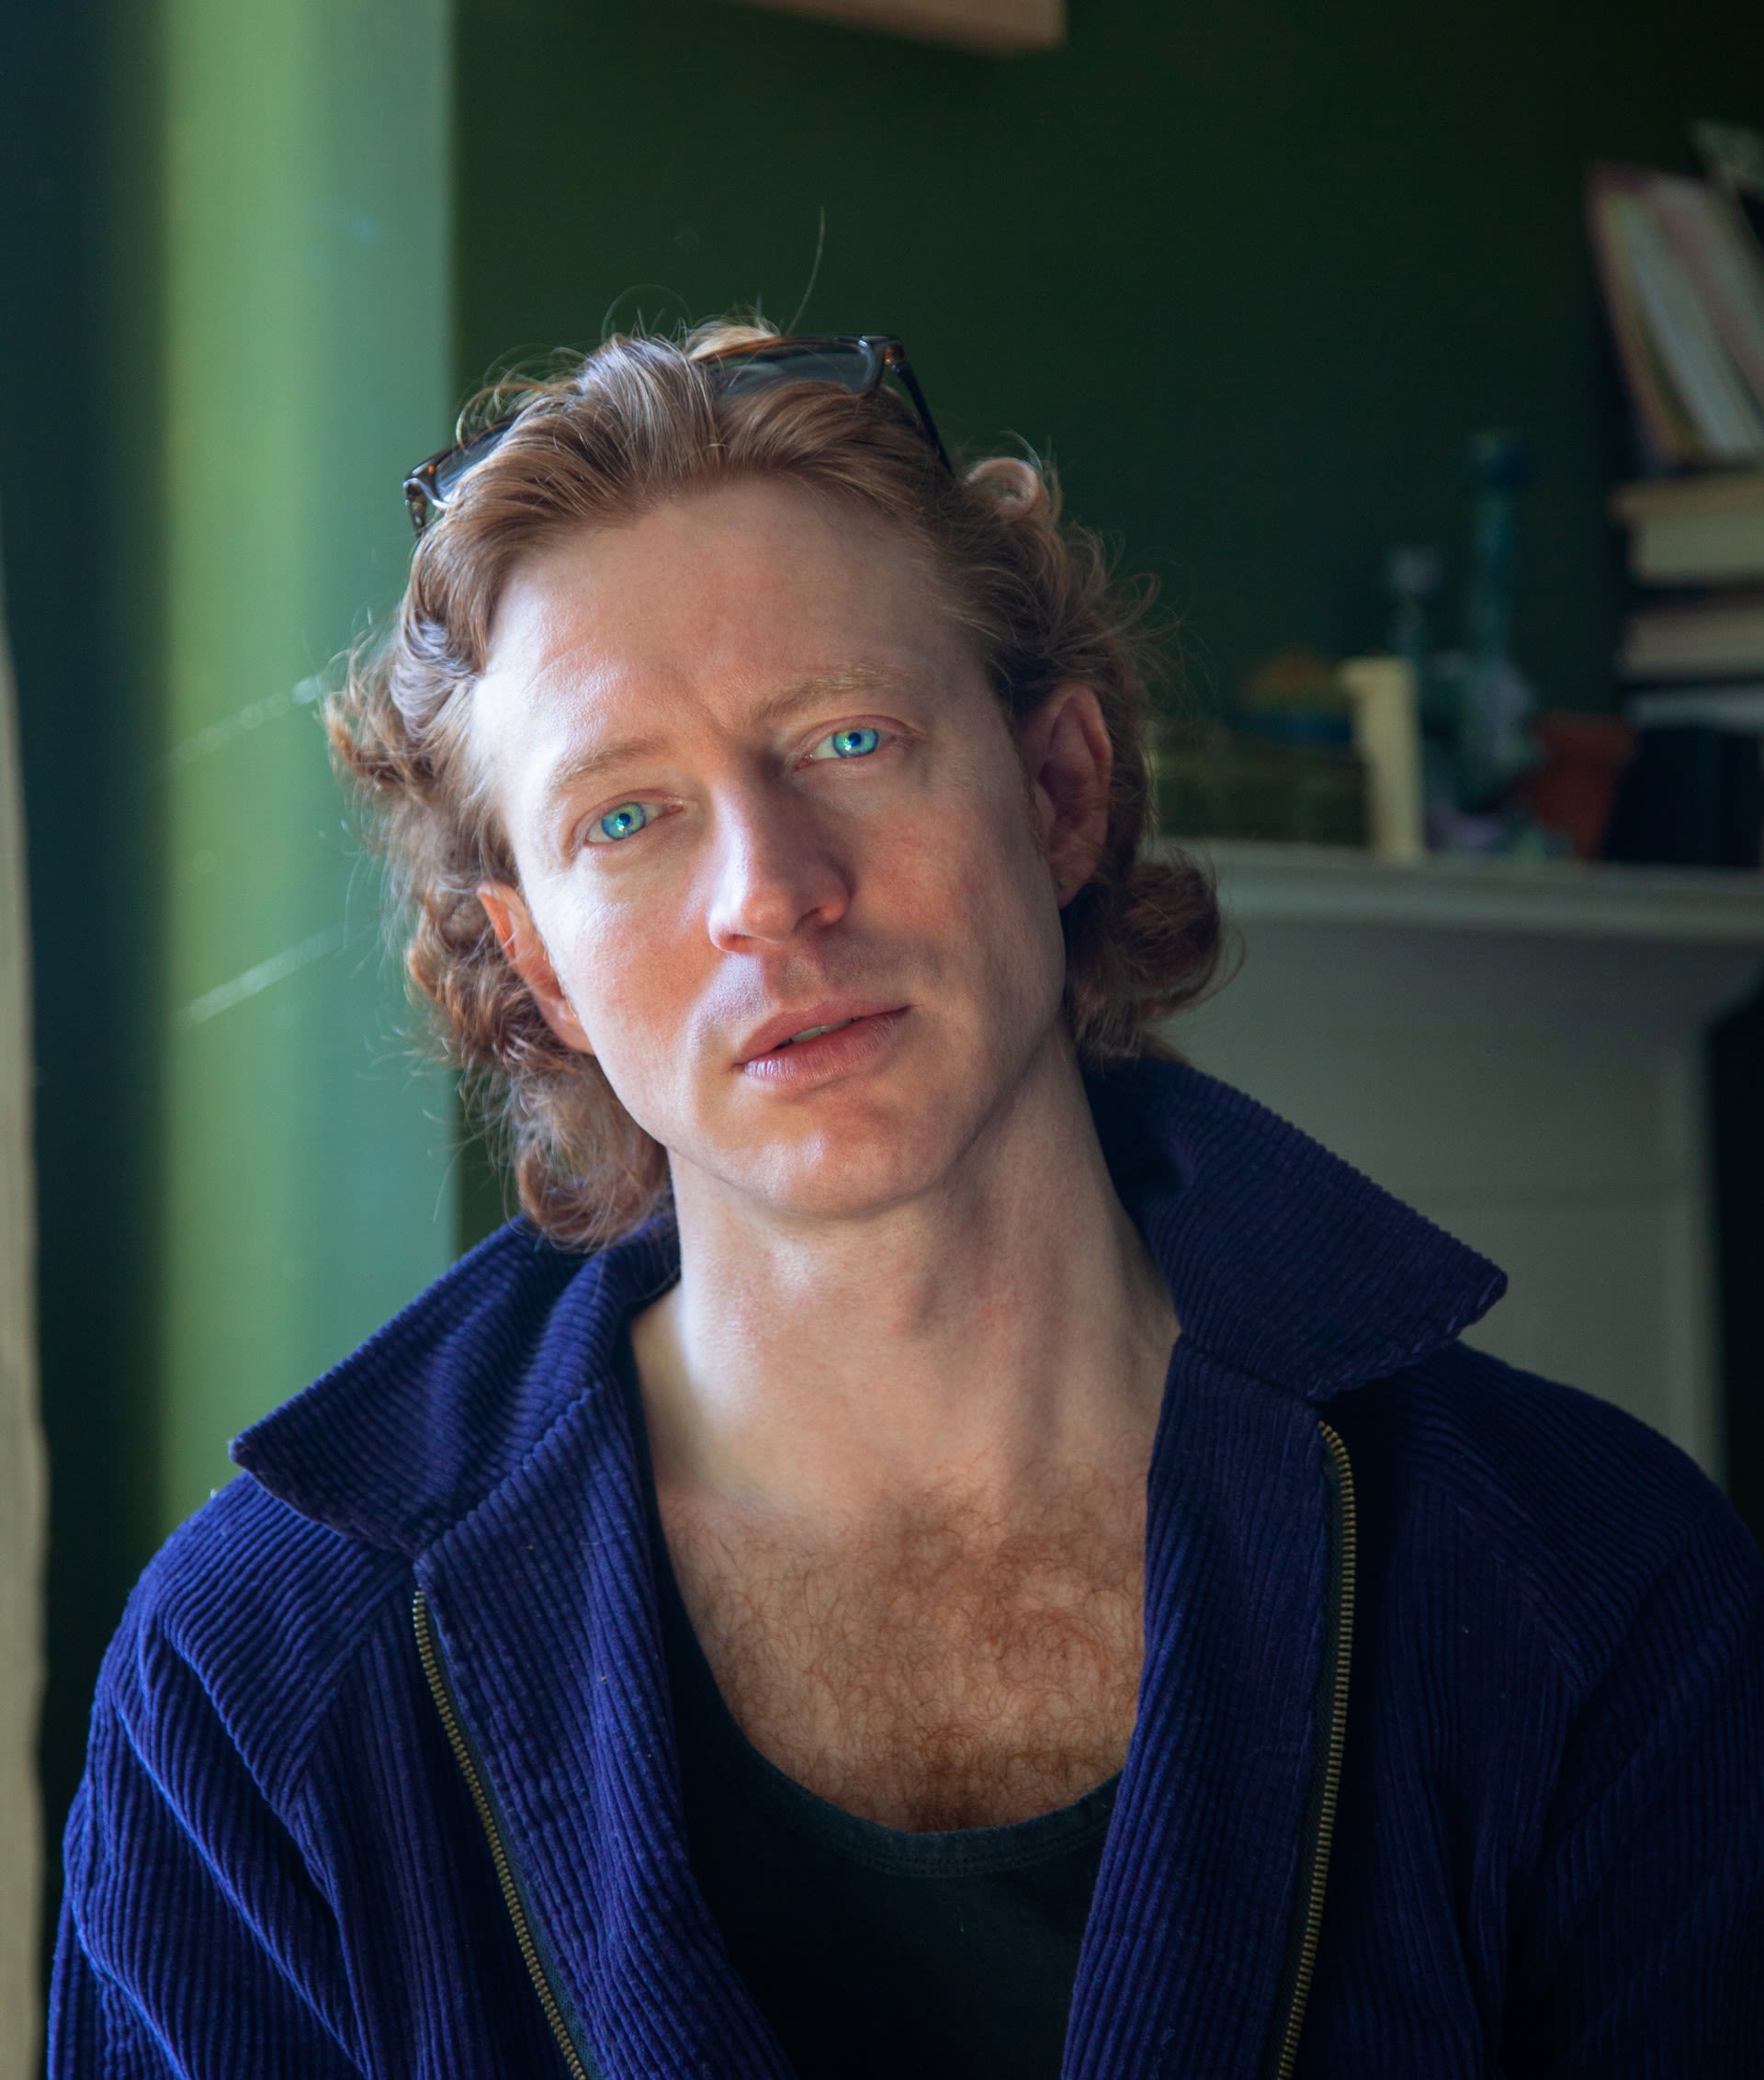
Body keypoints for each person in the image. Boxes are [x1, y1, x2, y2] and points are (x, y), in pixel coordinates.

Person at [51, 324, 1764, 2079]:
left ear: (1059, 790)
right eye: (626, 819)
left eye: (849, 737)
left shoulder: (1587, 1582)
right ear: (540, 967)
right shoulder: (256, 1676)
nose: (771, 895)